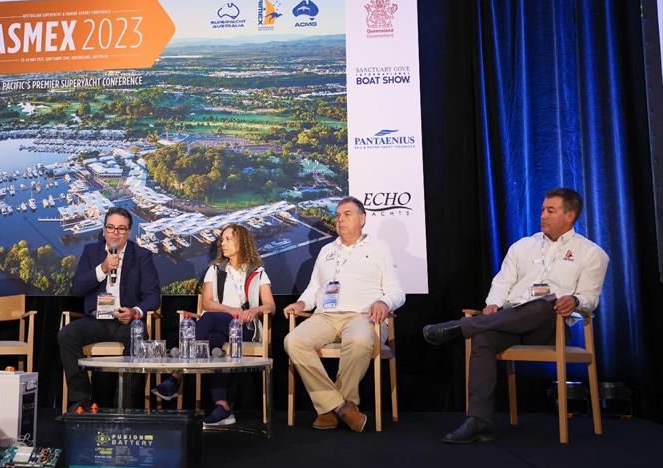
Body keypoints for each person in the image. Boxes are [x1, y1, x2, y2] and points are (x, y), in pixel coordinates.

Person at [422, 188, 609, 443]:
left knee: (545, 303)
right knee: (484, 335)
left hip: (550, 327)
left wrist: (575, 300)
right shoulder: (522, 246)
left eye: (550, 211)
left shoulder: (592, 253)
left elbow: (590, 298)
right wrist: (493, 304)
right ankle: (479, 421)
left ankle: (461, 326)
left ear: (570, 215)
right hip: (510, 323)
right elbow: (502, 283)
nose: (542, 215)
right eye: (542, 209)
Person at [283, 196, 406, 432]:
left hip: (362, 316)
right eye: (338, 215)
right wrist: (301, 303)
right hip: (325, 316)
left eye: (347, 214)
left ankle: (330, 409)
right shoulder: (326, 250)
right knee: (293, 341)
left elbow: (397, 291)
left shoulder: (379, 249)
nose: (340, 220)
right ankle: (343, 408)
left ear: (363, 219)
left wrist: (384, 301)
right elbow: (314, 288)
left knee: (360, 340)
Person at [152, 224, 276, 426]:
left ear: (241, 242)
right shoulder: (214, 270)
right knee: (213, 341)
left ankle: (176, 377)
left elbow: (270, 305)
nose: (222, 243)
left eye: (228, 239)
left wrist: (255, 310)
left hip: (245, 328)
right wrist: (231, 310)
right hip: (220, 325)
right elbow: (208, 302)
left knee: (208, 318)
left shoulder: (257, 272)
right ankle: (222, 406)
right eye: (222, 239)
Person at [58, 207, 161, 412]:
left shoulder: (141, 255)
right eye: (111, 227)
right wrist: (103, 268)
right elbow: (77, 289)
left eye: (121, 229)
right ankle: (81, 401)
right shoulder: (91, 252)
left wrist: (135, 311)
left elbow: (153, 295)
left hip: (126, 321)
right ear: (104, 230)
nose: (115, 232)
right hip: (97, 320)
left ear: (129, 233)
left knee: (139, 336)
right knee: (66, 335)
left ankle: (125, 406)